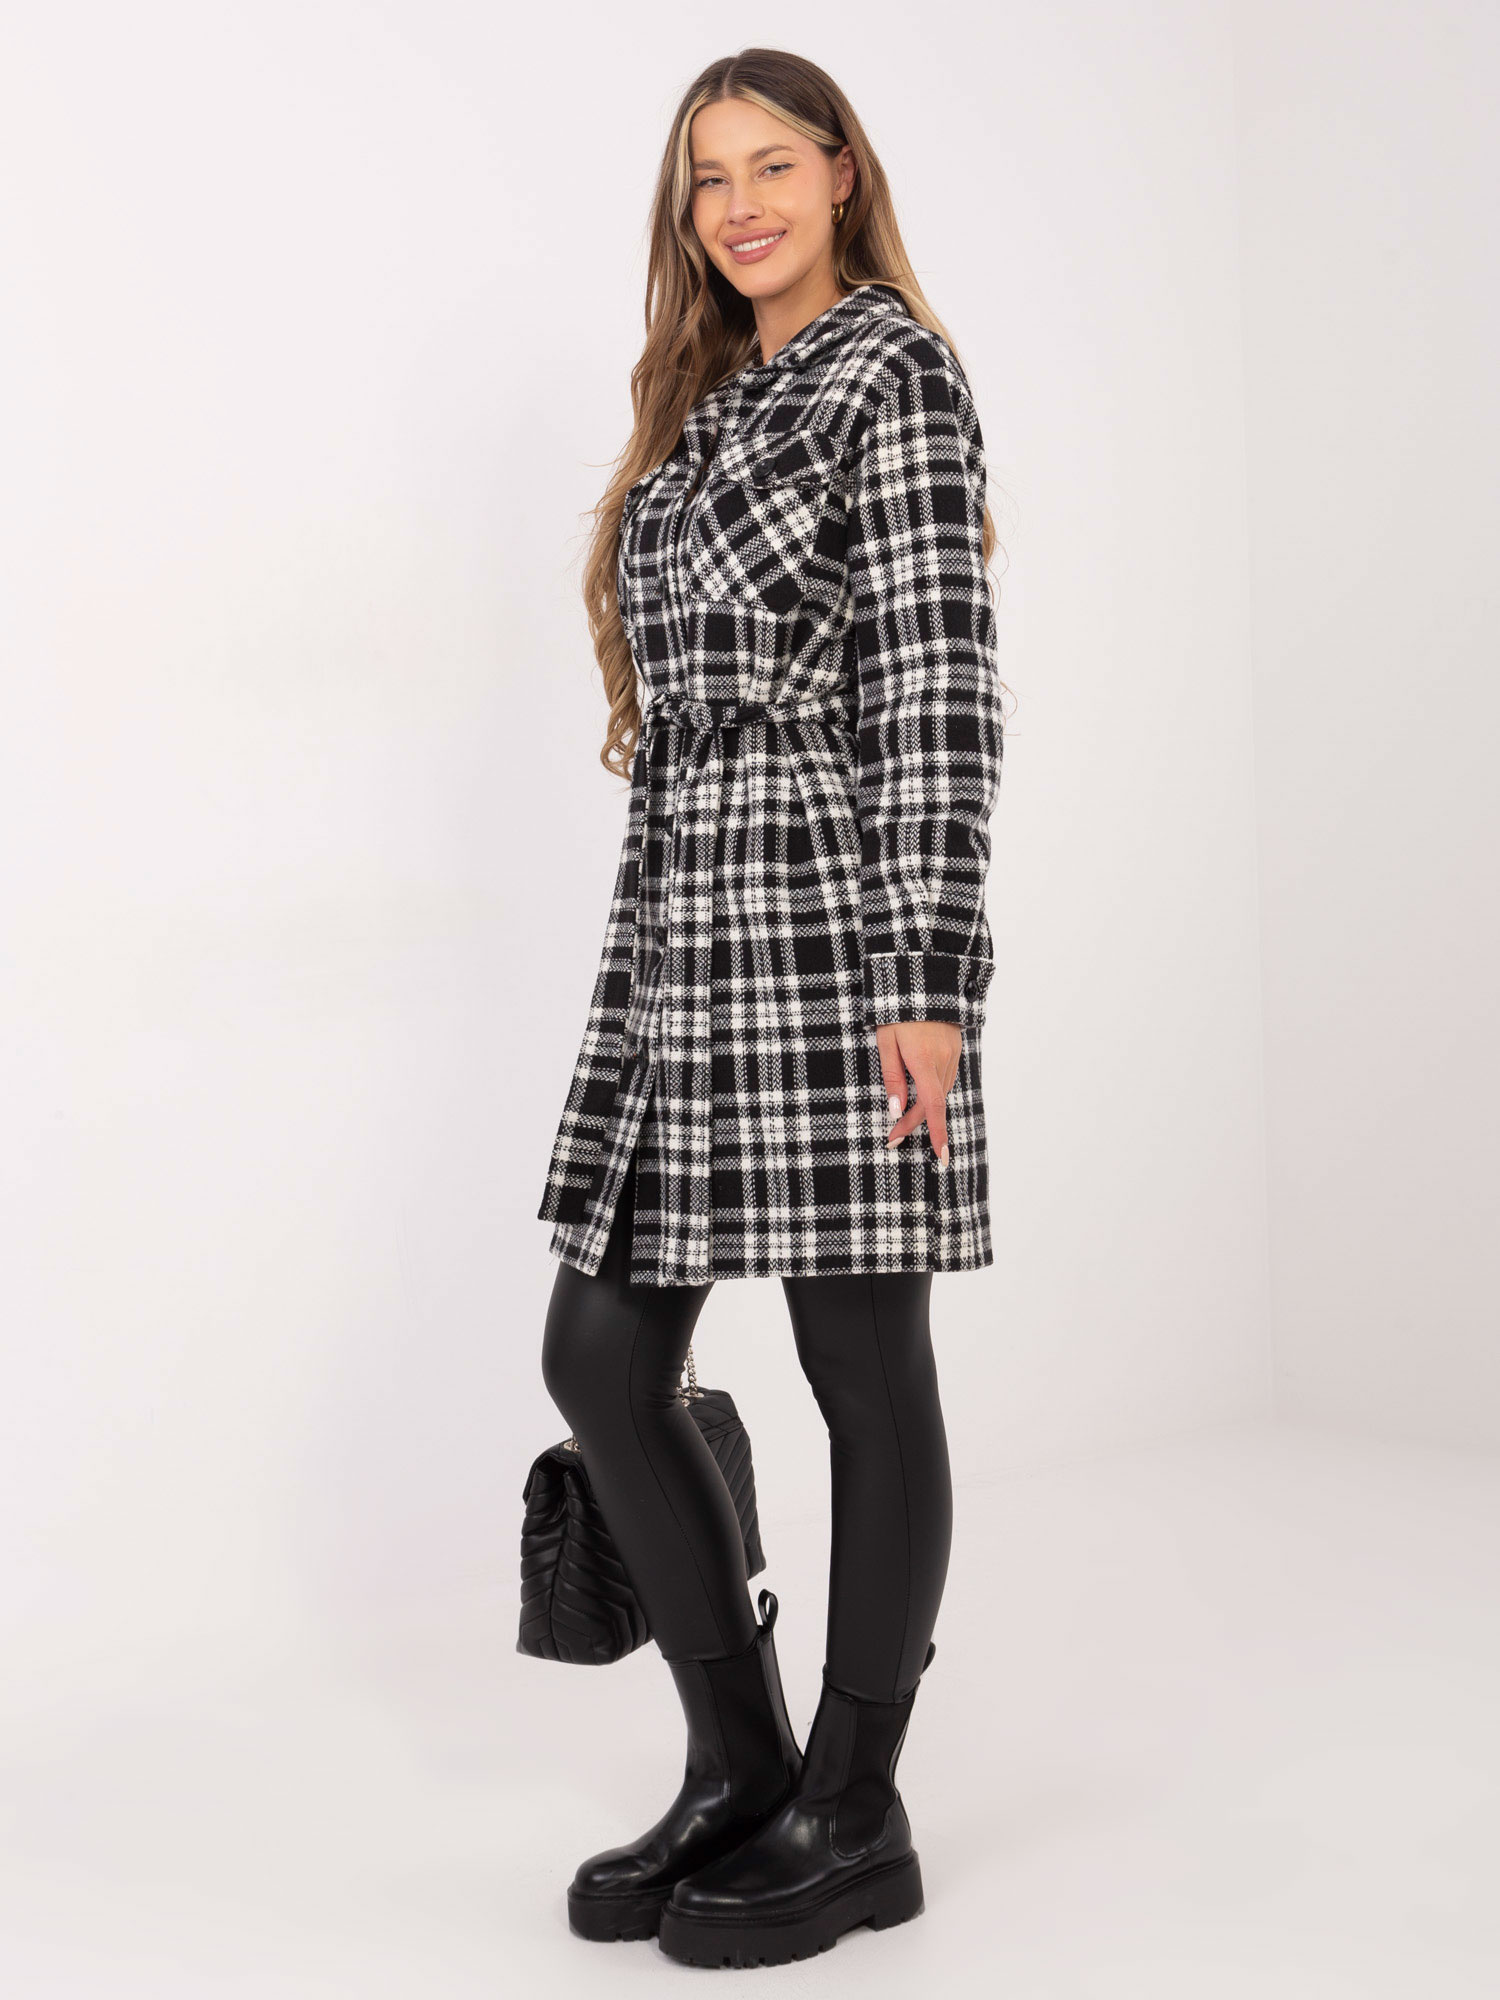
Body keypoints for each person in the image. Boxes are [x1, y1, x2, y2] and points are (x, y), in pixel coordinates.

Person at [534, 46, 1008, 1968]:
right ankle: (740, 1762)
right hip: (679, 923)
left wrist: (932, 981)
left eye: (771, 167)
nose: (738, 206)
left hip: (831, 915)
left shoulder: (894, 372)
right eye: (707, 180)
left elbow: (938, 685)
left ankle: (856, 1806)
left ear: (839, 176)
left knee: (859, 1365)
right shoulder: (710, 394)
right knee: (598, 1353)